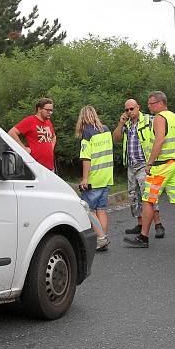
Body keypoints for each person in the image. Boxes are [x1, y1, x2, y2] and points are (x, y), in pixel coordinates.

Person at [124, 91, 175, 248]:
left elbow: (159, 141)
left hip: (162, 166)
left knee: (148, 200)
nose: (149, 107)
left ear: (160, 103)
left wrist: (149, 163)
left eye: (151, 104)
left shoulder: (160, 118)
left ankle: (143, 237)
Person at [112, 98, 165, 239]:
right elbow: (116, 139)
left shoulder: (149, 120)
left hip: (145, 164)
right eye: (127, 109)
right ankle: (140, 224)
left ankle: (158, 225)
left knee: (149, 196)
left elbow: (161, 133)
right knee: (134, 196)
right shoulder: (126, 124)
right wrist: (120, 124)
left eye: (132, 108)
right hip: (131, 165)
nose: (129, 112)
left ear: (138, 108)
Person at [75, 105, 113, 252]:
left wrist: (85, 179)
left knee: (88, 210)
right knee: (101, 210)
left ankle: (101, 238)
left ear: (82, 118)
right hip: (107, 176)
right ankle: (102, 238)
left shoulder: (87, 133)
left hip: (94, 178)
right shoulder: (106, 129)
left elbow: (86, 158)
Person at [8, 97, 56, 171]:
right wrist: (23, 149)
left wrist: (51, 147)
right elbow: (11, 133)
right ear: (39, 109)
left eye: (51, 110)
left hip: (50, 166)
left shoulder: (48, 122)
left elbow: (53, 137)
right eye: (47, 110)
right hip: (35, 166)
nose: (50, 112)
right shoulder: (30, 120)